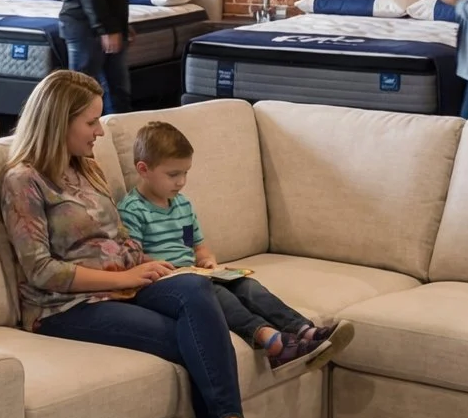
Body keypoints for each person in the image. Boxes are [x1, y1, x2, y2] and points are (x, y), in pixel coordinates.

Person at [0, 69, 319, 418]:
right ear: (58, 120)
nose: (101, 132)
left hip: (128, 283)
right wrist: (127, 275)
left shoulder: (86, 168)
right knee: (196, 345)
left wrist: (154, 264)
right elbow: (42, 270)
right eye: (91, 122)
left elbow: (119, 239)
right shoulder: (23, 181)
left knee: (196, 289)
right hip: (66, 307)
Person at [119, 121, 349, 371]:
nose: (181, 181)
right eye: (173, 175)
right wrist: (156, 264)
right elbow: (132, 257)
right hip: (165, 282)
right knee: (221, 296)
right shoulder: (132, 210)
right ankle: (272, 342)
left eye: (186, 173)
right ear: (143, 169)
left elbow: (196, 246)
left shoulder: (182, 205)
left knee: (249, 286)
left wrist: (207, 260)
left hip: (195, 274)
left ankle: (305, 330)